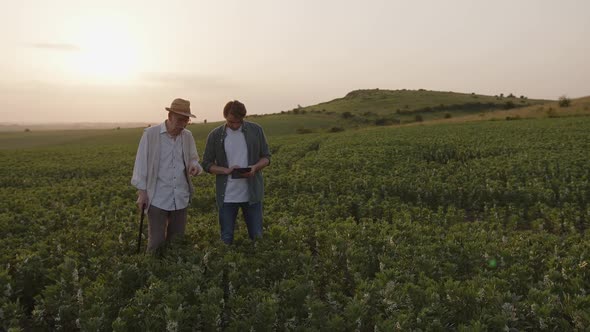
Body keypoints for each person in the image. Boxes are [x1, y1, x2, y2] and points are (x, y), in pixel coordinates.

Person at [131, 98, 203, 251]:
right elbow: (141, 164)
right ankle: (152, 271)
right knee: (156, 243)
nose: (183, 124)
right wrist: (142, 193)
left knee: (176, 242)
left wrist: (194, 166)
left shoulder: (187, 136)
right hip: (157, 197)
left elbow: (193, 159)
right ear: (170, 116)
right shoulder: (151, 134)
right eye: (179, 120)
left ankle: (172, 271)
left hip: (180, 196)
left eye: (186, 120)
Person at [202, 100, 271, 244]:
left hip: (252, 194)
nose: (235, 125)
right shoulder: (215, 135)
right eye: (231, 122)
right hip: (227, 196)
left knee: (257, 237)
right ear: (225, 117)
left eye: (238, 122)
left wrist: (254, 168)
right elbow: (207, 164)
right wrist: (226, 170)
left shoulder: (256, 130)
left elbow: (266, 157)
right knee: (226, 238)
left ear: (243, 118)